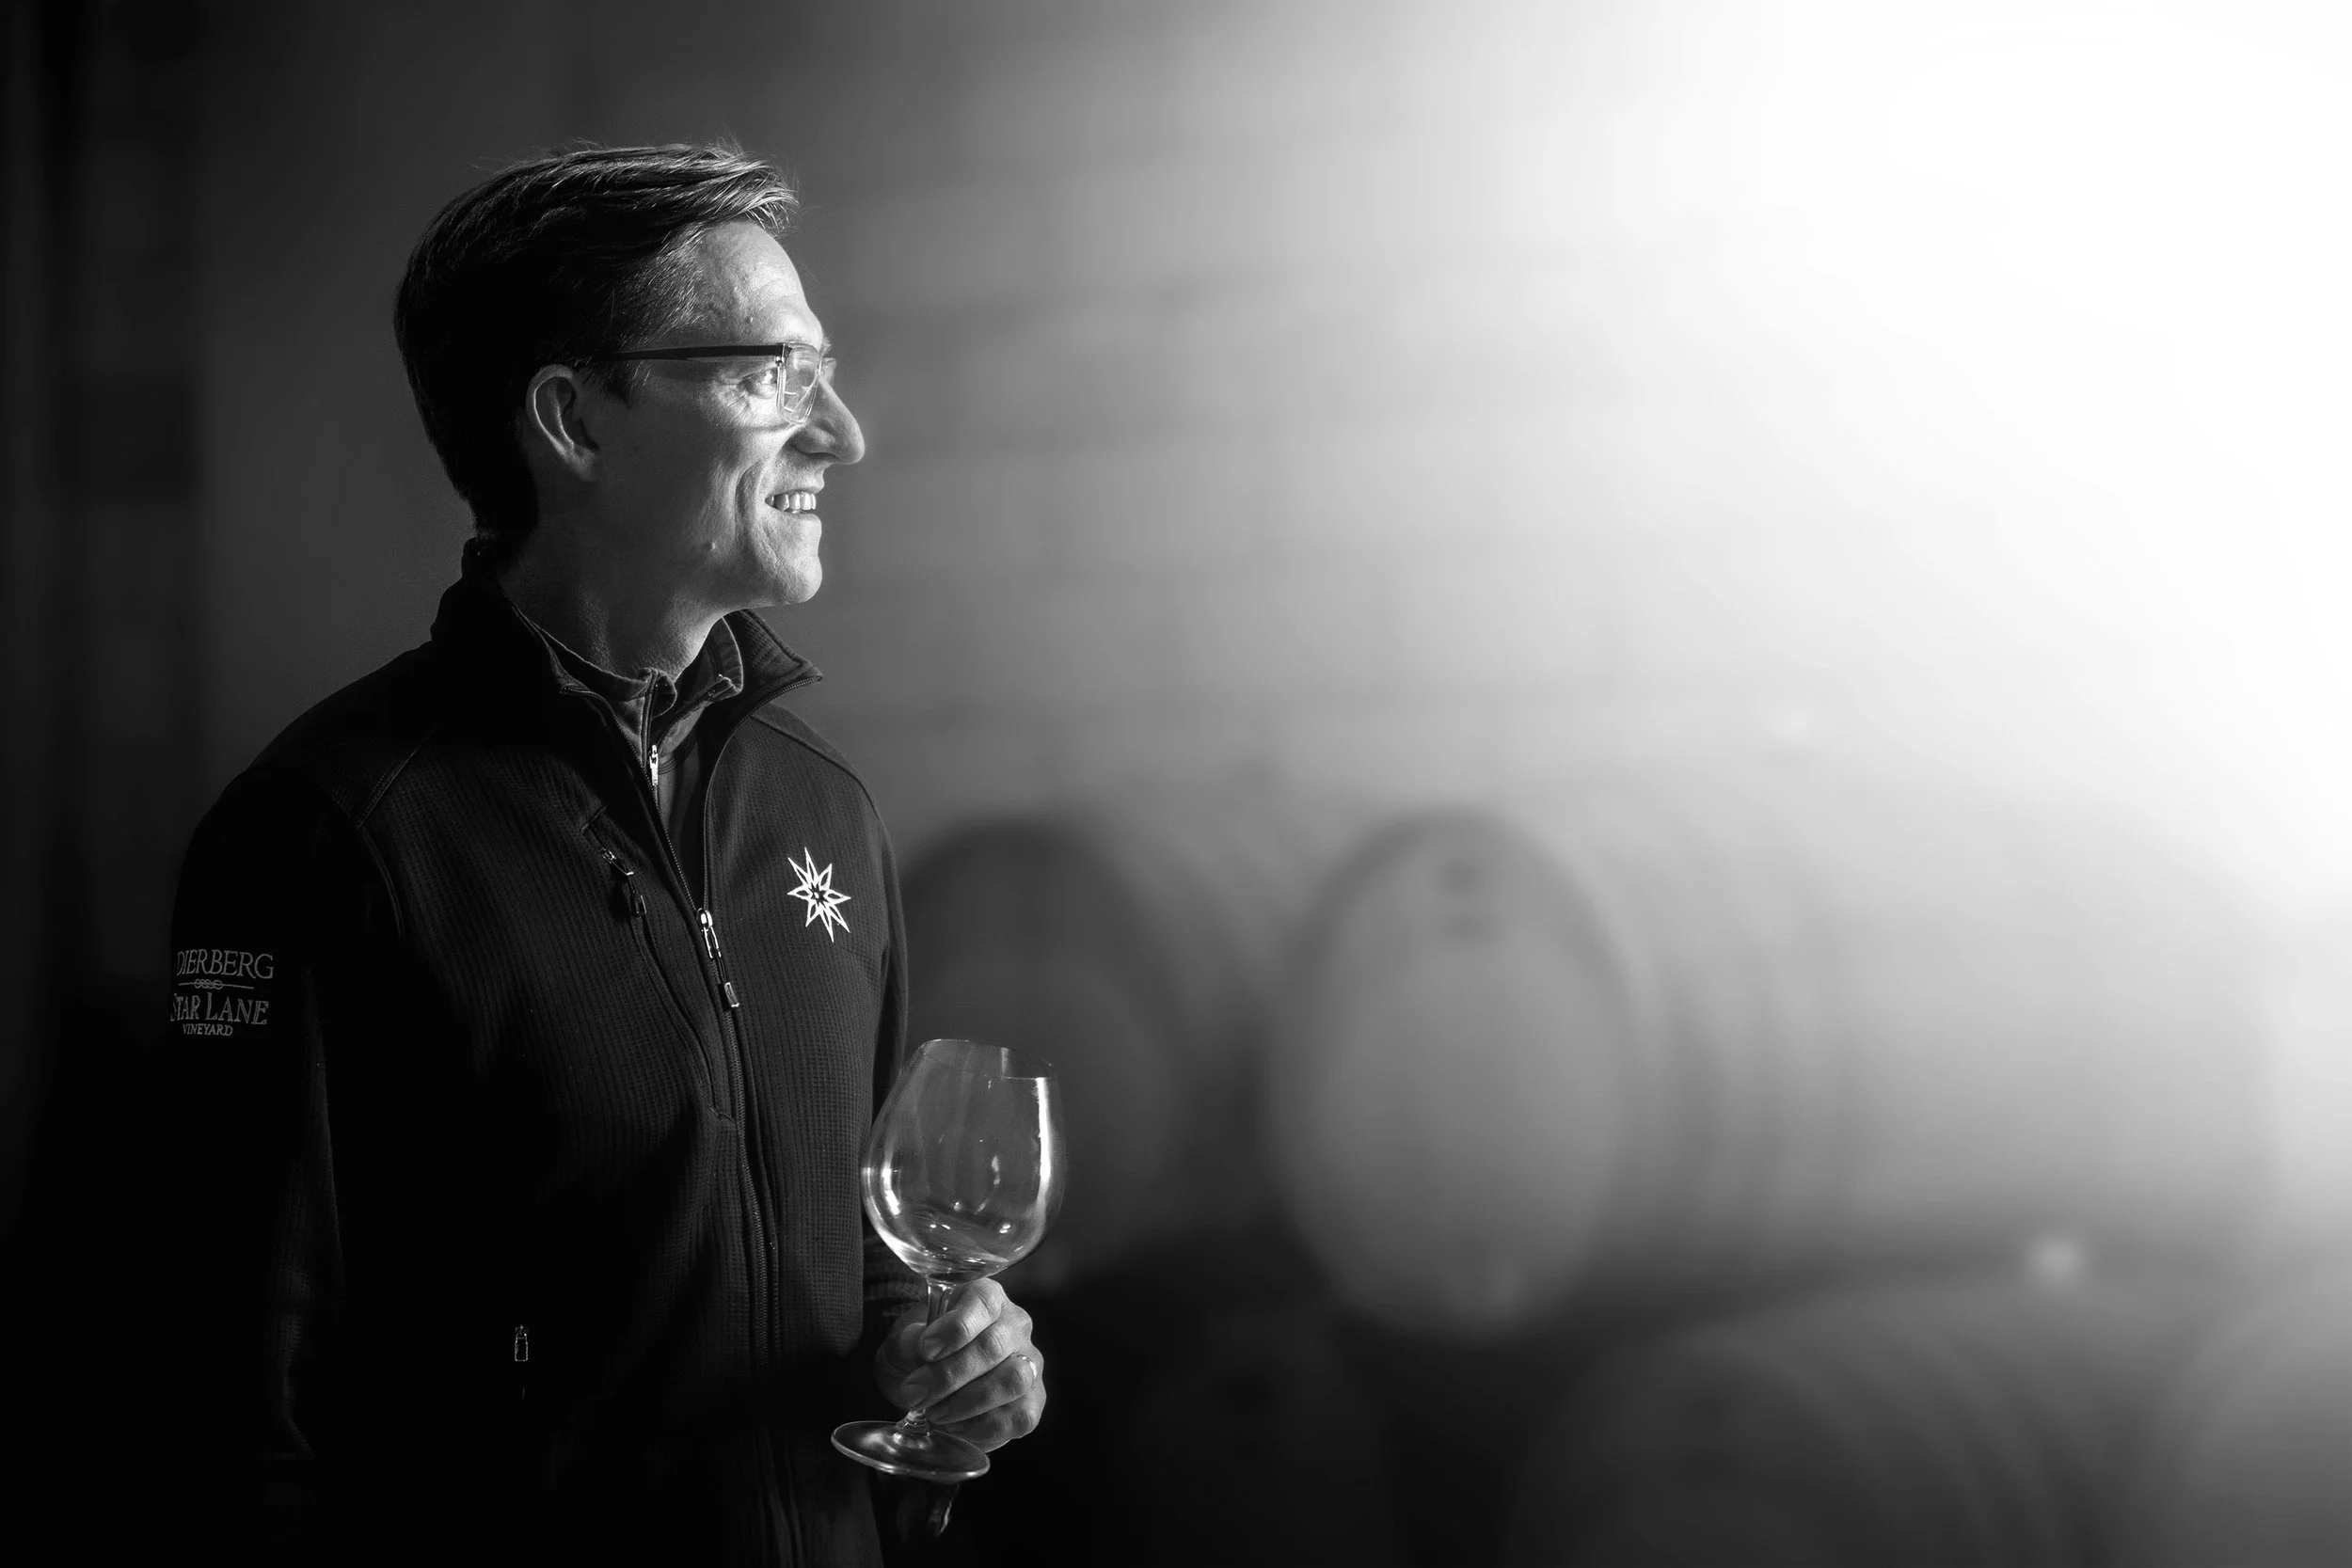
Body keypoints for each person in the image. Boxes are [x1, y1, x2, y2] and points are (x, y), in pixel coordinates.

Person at [134, 142, 1044, 1566]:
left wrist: (946, 1365)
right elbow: (239, 1419)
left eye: (825, 371)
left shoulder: (824, 812)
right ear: (574, 419)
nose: (841, 432)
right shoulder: (328, 836)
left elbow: (863, 1290)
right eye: (771, 376)